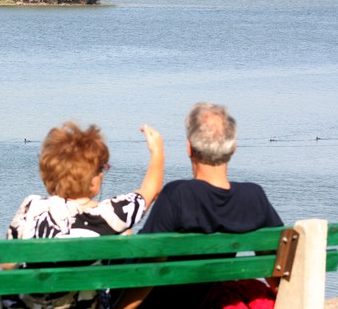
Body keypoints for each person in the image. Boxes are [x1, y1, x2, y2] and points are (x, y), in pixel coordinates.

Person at [115, 102, 283, 309]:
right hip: (204, 299)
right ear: (233, 147)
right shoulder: (254, 197)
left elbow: (149, 269)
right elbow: (277, 268)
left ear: (189, 148)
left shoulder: (177, 195)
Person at [1, 121, 165, 309]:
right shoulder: (107, 216)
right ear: (92, 178)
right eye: (101, 169)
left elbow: (7, 264)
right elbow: (150, 190)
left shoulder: (31, 205)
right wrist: (157, 152)